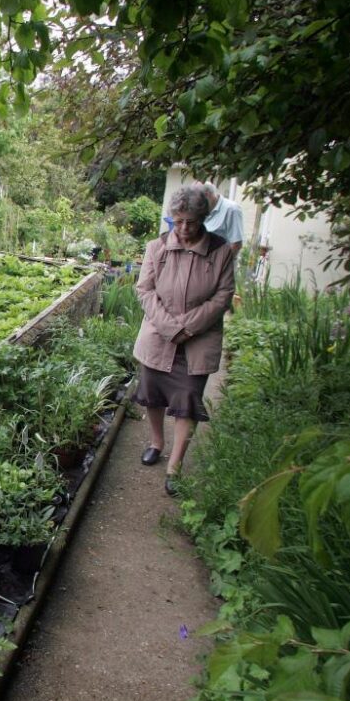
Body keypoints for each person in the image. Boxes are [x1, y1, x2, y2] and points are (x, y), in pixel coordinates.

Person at [133, 183, 236, 495]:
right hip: (158, 335)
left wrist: (188, 327)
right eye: (178, 221)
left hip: (198, 341)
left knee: (187, 401)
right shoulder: (157, 247)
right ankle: (156, 442)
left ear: (202, 218)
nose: (184, 228)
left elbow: (223, 296)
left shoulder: (220, 251)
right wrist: (168, 327)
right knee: (152, 393)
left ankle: (174, 465)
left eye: (190, 221)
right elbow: (145, 290)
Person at [201, 182, 244, 254]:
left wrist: (220, 263)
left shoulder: (231, 209)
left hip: (221, 263)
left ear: (206, 195)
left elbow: (236, 244)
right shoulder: (202, 210)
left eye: (197, 200)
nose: (195, 203)